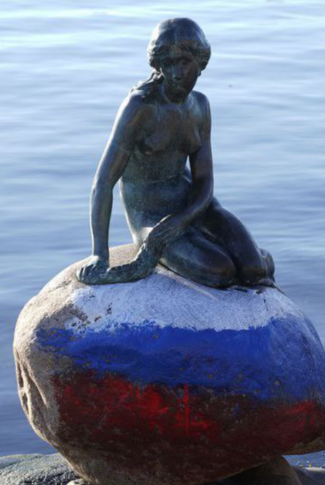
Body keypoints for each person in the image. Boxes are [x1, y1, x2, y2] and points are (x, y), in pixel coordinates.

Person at [77, 18, 274, 288]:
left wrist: (182, 219)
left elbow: (204, 182)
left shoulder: (200, 106)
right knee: (221, 272)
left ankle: (248, 256)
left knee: (254, 269)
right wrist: (99, 254)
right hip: (151, 215)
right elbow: (102, 183)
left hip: (194, 206)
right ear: (158, 65)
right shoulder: (140, 107)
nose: (176, 72)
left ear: (200, 62)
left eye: (183, 62)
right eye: (167, 64)